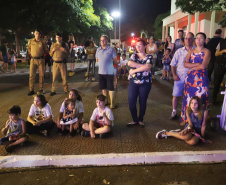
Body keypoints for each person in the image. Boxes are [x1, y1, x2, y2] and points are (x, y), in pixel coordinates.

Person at [181, 32, 210, 124]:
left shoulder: (207, 51)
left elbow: (203, 66)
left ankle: (201, 120)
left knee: (201, 99)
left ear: (205, 40)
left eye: (201, 38)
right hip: (191, 80)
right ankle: (186, 119)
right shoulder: (191, 51)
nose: (198, 40)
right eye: (197, 38)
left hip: (202, 80)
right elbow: (185, 64)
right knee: (189, 99)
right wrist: (198, 64)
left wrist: (192, 67)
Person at [127, 38, 152, 127]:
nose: (138, 47)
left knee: (142, 101)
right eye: (137, 45)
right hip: (133, 82)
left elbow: (148, 66)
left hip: (145, 83)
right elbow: (129, 63)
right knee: (131, 101)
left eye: (140, 45)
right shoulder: (134, 56)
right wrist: (144, 67)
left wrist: (133, 71)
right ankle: (134, 119)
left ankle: (140, 119)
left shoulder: (149, 56)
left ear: (145, 46)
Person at [169, 32, 195, 120]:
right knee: (176, 95)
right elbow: (172, 64)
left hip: (192, 78)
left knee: (191, 97)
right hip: (180, 77)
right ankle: (174, 111)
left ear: (193, 39)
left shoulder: (197, 51)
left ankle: (189, 114)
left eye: (190, 38)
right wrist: (174, 75)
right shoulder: (179, 51)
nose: (188, 40)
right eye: (186, 38)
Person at [95, 35, 118, 109]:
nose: (102, 41)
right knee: (103, 88)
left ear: (107, 40)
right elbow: (97, 59)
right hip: (101, 72)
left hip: (109, 72)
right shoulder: (98, 50)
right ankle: (106, 101)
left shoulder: (111, 49)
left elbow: (115, 60)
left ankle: (112, 103)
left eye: (104, 40)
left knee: (111, 88)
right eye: (101, 40)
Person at [27, 29, 49, 96]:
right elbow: (29, 48)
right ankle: (31, 89)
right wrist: (32, 53)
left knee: (41, 75)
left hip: (40, 60)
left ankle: (41, 89)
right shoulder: (30, 41)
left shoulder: (43, 41)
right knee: (31, 75)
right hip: (33, 60)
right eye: (36, 33)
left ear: (40, 35)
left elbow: (46, 51)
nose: (37, 35)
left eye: (38, 34)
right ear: (34, 34)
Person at [212, 37, 226, 104]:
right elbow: (216, 54)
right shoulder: (222, 42)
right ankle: (213, 99)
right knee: (217, 83)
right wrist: (223, 51)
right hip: (220, 65)